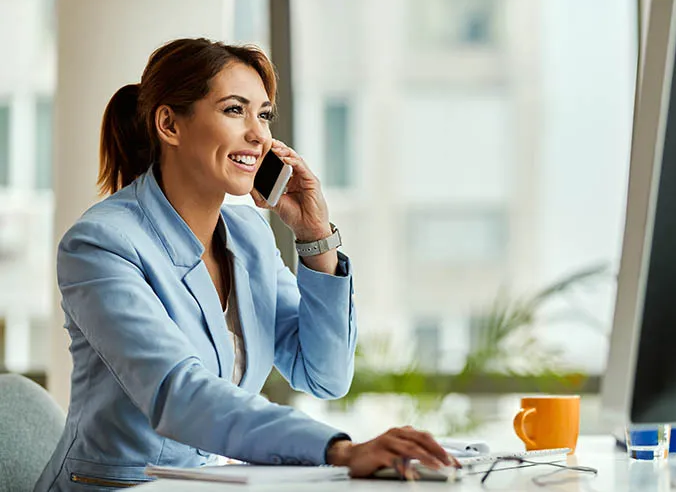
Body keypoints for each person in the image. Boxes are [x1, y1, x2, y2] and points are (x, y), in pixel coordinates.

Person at [35, 38, 456, 491]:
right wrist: (339, 449)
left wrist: (315, 238)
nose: (259, 135)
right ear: (169, 125)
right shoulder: (100, 244)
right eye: (235, 110)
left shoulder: (249, 235)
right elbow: (178, 395)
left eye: (264, 114)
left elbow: (325, 375)